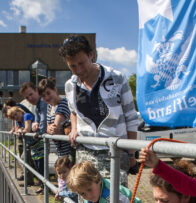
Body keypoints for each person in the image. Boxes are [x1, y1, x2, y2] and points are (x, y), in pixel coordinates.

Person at [59, 35, 138, 187]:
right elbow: (73, 111)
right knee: (86, 202)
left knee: (114, 202)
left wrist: (131, 153)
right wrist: (74, 128)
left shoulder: (117, 78)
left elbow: (131, 117)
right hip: (85, 150)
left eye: (81, 63)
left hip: (114, 150)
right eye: (72, 66)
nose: (78, 70)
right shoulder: (70, 85)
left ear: (91, 55)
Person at [6, 106, 45, 194]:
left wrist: (20, 131)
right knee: (37, 166)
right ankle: (41, 185)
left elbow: (27, 129)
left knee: (40, 166)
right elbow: (18, 130)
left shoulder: (26, 116)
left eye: (16, 114)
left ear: (20, 111)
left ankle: (43, 186)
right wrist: (19, 130)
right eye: (13, 117)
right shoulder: (19, 121)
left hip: (39, 144)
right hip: (32, 146)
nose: (16, 117)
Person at [38, 77, 73, 161]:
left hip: (69, 150)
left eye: (48, 93)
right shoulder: (50, 106)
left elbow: (54, 129)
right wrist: (48, 128)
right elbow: (48, 128)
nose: (46, 97)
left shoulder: (63, 103)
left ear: (55, 89)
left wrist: (49, 129)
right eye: (43, 96)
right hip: (60, 150)